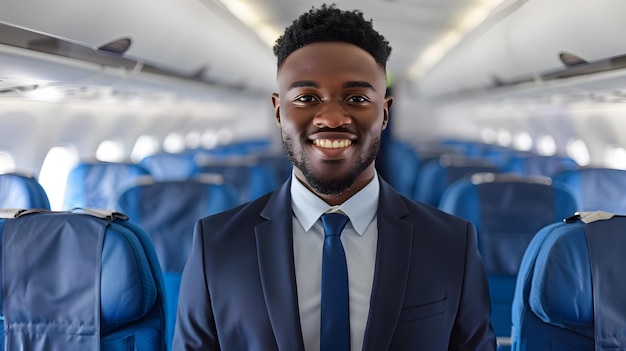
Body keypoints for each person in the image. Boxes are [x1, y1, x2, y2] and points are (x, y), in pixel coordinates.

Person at [173, 4, 496, 350]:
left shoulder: (450, 244)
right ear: (278, 112)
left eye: (356, 98)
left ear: (384, 113)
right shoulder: (217, 245)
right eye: (307, 98)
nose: (331, 117)